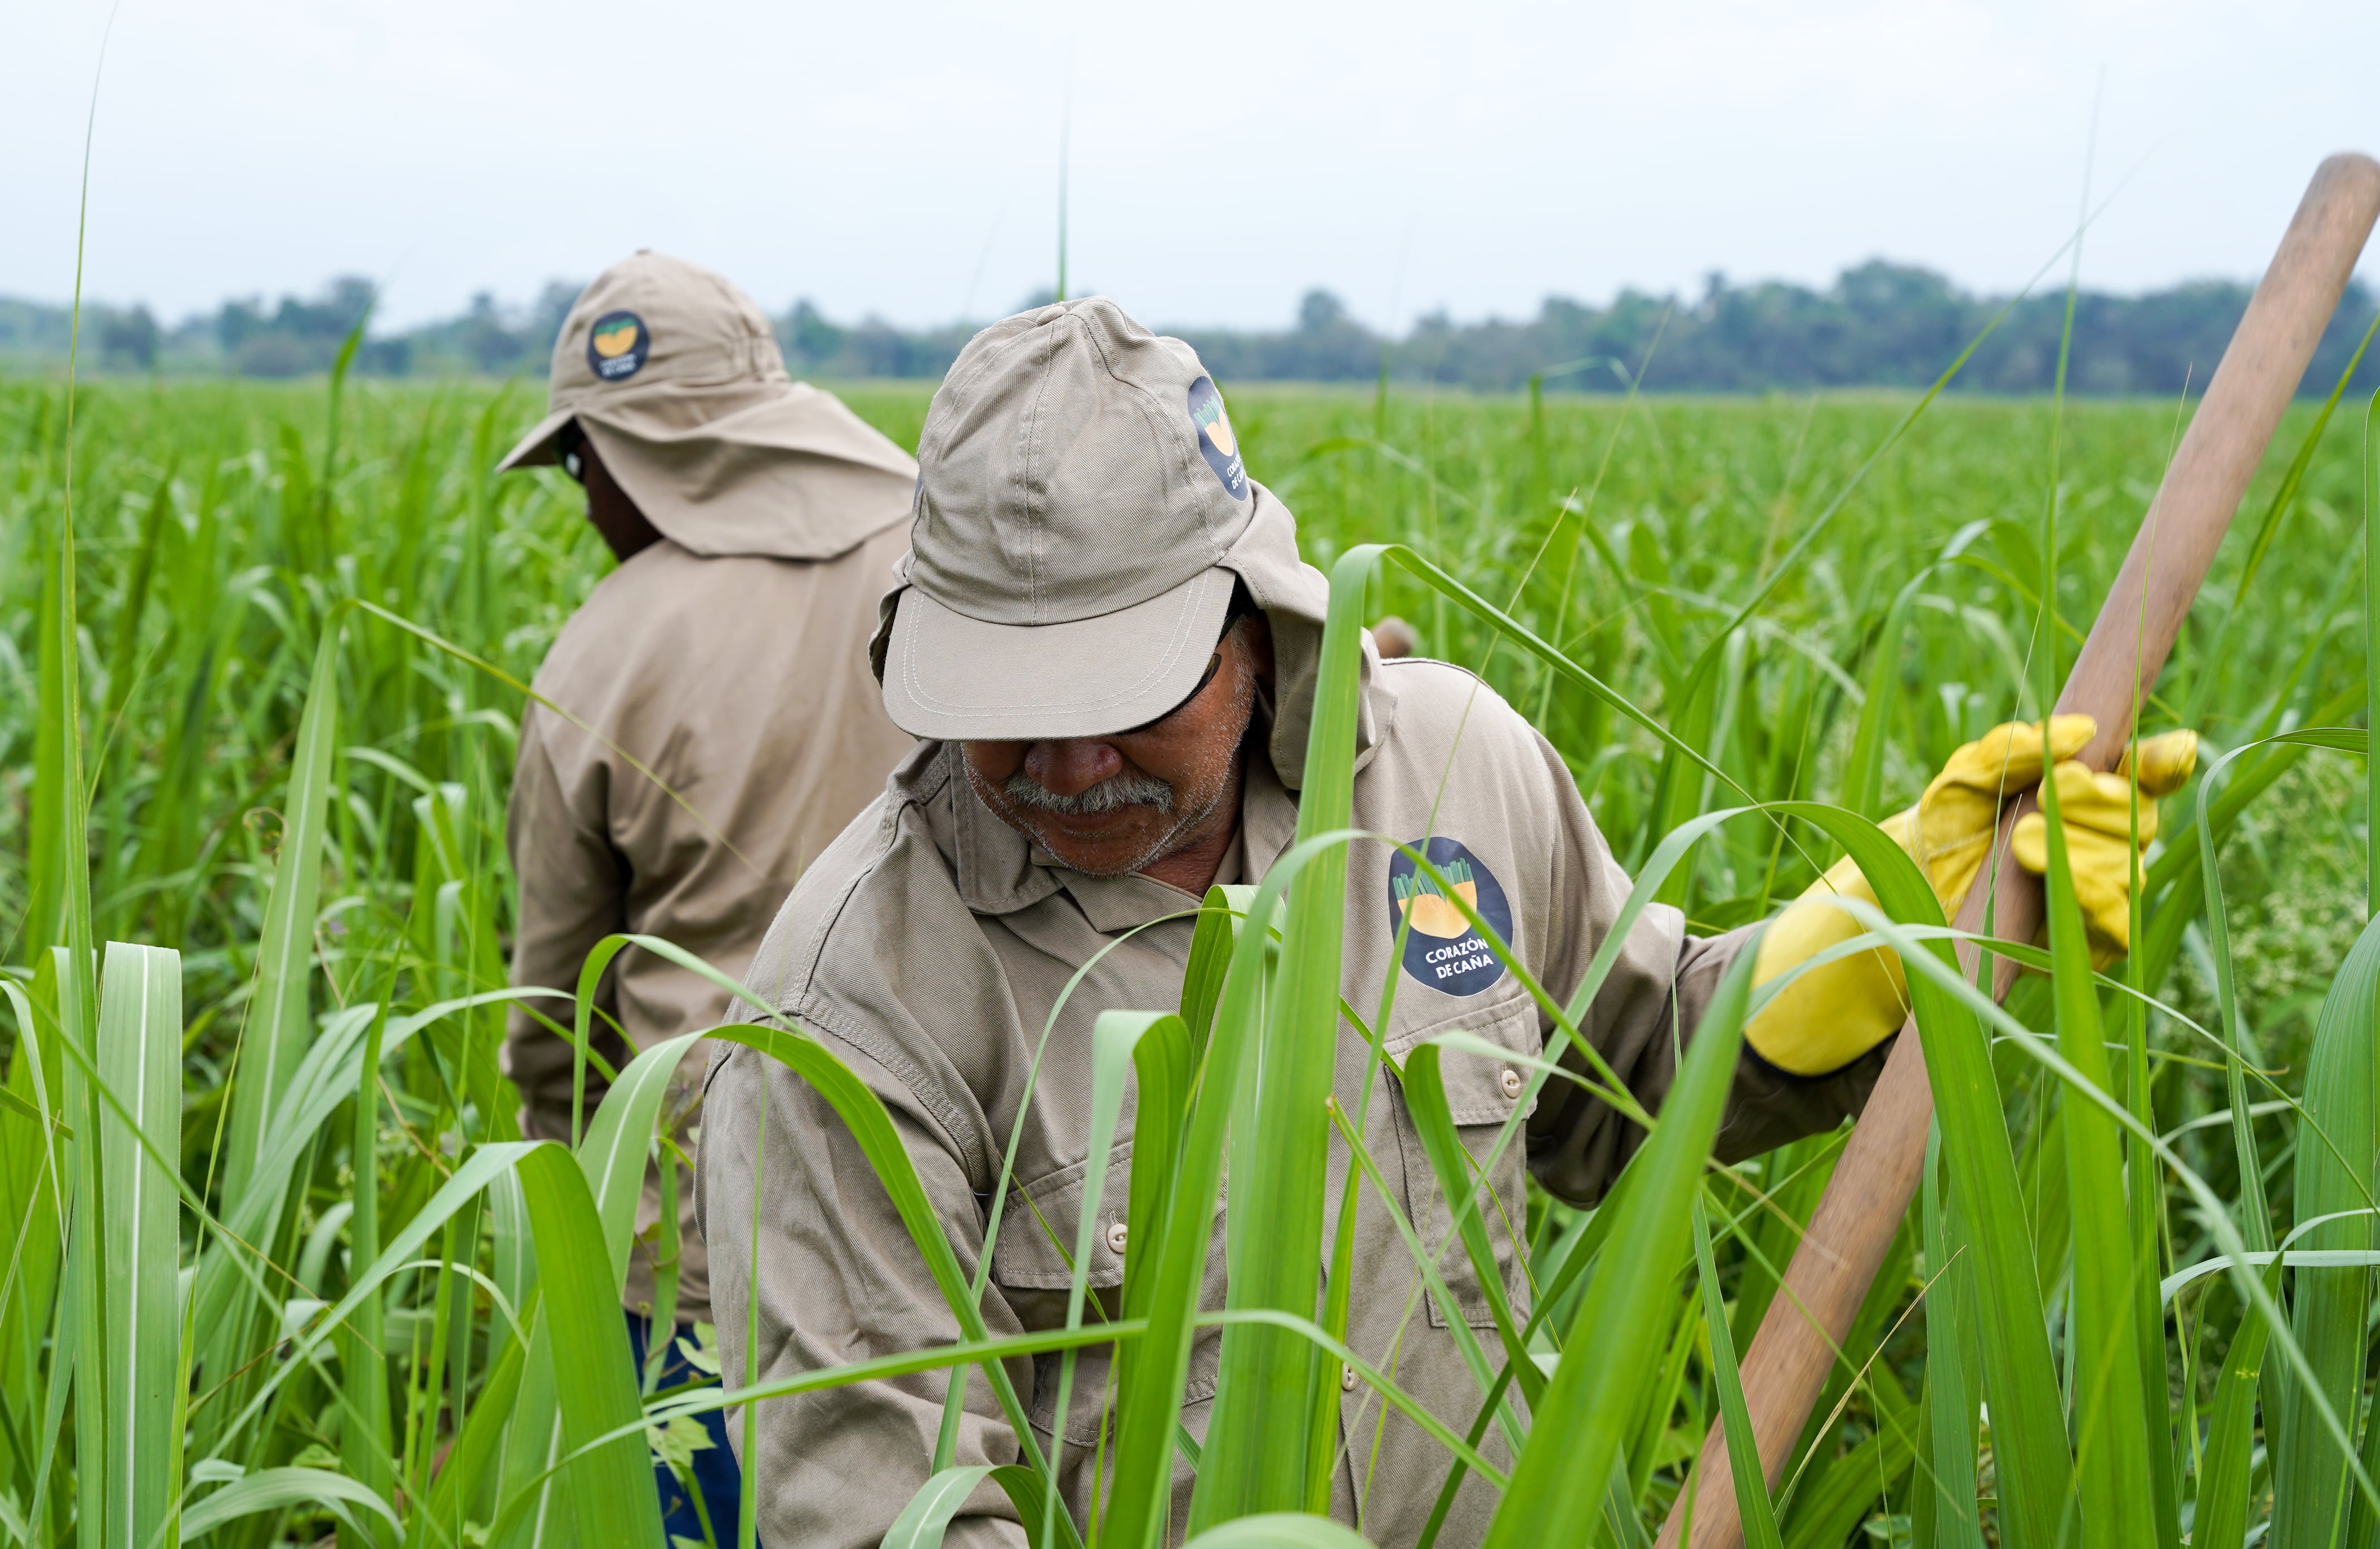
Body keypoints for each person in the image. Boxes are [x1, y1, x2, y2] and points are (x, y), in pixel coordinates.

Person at [697, 295, 2194, 1547]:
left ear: (1251, 616)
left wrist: (1877, 946)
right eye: (1007, 712)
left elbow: (1625, 1076)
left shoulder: (1452, 766)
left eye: (1119, 697)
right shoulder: (846, 1009)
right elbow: (878, 1506)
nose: (1068, 765)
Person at [497, 250, 919, 1546]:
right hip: (988, 1219)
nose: (585, 505)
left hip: (703, 1256)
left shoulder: (607, 650)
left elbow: (556, 1019)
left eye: (584, 467)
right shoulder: (966, 568)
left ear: (634, 458)